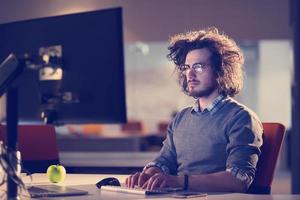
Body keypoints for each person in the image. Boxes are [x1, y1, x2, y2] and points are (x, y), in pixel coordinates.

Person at [125, 27, 263, 193]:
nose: (189, 74)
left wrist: (177, 181)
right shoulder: (181, 118)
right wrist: (149, 175)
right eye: (186, 67)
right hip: (176, 196)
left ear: (221, 71)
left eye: (198, 67)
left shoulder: (241, 117)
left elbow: (238, 180)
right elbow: (164, 161)